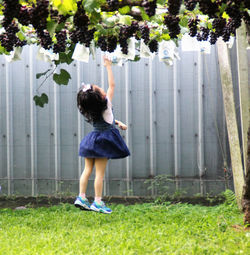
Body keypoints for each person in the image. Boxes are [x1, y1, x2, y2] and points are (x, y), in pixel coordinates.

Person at [74, 56, 130, 214]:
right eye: (100, 89)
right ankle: (97, 202)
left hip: (91, 140)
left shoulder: (91, 110)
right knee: (99, 174)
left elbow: (107, 120)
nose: (103, 89)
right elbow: (112, 85)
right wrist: (108, 66)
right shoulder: (106, 104)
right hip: (103, 142)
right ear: (101, 97)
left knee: (87, 170)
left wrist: (118, 123)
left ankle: (82, 197)